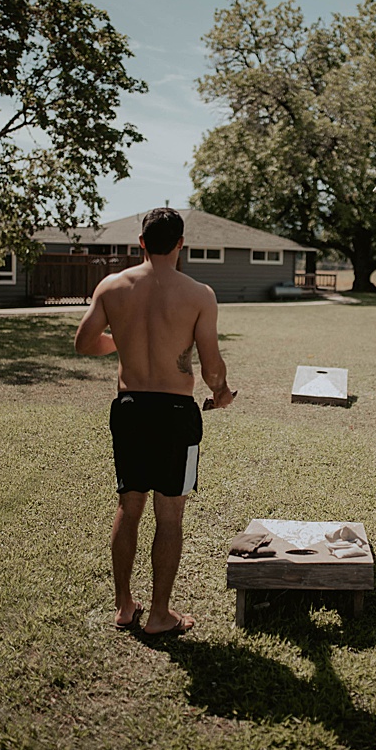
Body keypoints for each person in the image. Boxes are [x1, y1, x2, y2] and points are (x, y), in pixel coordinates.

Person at [75, 207, 236, 636]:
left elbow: (84, 342)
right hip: (175, 413)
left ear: (141, 243)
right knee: (169, 516)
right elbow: (211, 365)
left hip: (129, 407)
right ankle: (160, 615)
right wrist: (221, 393)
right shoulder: (199, 294)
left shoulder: (112, 286)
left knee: (129, 508)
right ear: (181, 244)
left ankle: (124, 607)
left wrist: (124, 339)